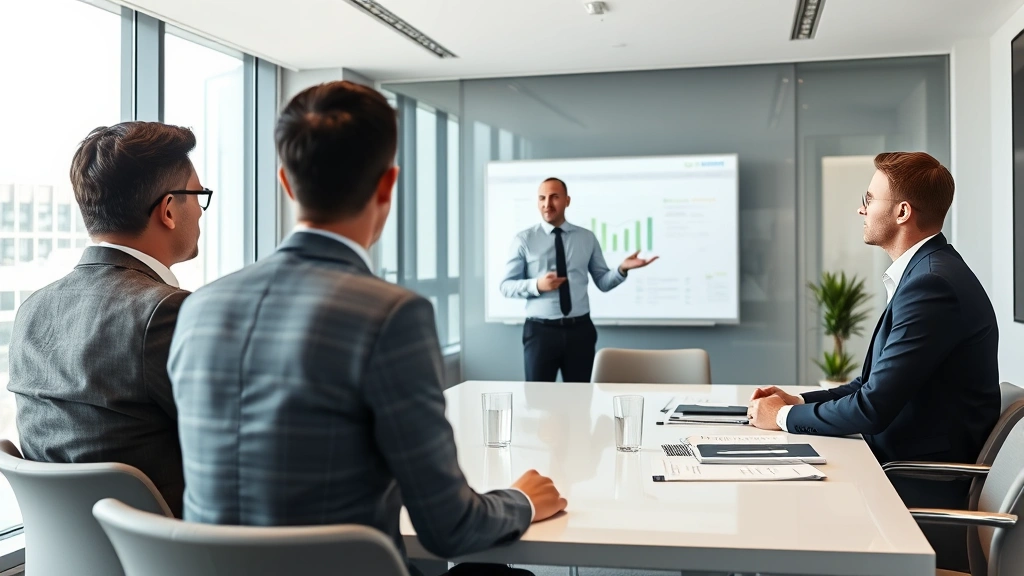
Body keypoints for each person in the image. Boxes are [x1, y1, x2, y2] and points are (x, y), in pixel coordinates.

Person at [168, 81, 566, 575]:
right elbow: (450, 527)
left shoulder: (198, 308)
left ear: (286, 184)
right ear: (387, 185)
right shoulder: (391, 314)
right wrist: (520, 500)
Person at [747, 151, 999, 571]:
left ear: (902, 212)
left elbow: (872, 408)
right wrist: (796, 402)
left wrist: (784, 419)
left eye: (869, 198)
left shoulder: (931, 284)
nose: (860, 208)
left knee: (771, 517)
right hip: (896, 466)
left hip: (913, 486)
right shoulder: (927, 273)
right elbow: (869, 385)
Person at [8, 122, 208, 517]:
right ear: (168, 210)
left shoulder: (32, 310)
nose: (200, 211)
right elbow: (232, 445)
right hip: (165, 557)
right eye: (197, 196)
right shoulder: (167, 312)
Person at [500, 178, 657, 382]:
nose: (547, 204)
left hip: (580, 331)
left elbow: (603, 281)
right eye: (542, 198)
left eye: (554, 197)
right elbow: (506, 286)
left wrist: (622, 269)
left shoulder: (586, 238)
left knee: (582, 400)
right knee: (537, 403)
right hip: (540, 333)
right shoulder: (524, 239)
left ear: (567, 200)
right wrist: (537, 285)